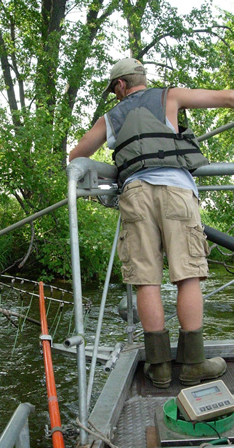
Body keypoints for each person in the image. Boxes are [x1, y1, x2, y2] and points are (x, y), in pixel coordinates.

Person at [69, 58, 234, 388]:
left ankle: (158, 368)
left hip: (135, 194)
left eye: (114, 91)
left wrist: (112, 168)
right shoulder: (169, 96)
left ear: (120, 86)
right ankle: (193, 365)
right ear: (141, 79)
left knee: (146, 280)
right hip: (176, 191)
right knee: (187, 275)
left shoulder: (109, 119)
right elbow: (227, 97)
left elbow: (76, 156)